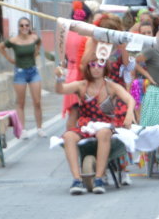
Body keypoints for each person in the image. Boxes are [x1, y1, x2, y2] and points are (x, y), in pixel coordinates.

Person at [55, 54, 134, 195]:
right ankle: (76, 180)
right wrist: (59, 78)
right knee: (68, 136)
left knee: (104, 133)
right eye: (93, 65)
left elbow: (130, 99)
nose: (96, 68)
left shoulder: (111, 86)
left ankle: (98, 179)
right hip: (86, 125)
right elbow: (60, 90)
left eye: (100, 65)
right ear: (88, 68)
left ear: (105, 67)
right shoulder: (81, 85)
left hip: (105, 124)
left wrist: (129, 114)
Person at [0, 17, 43, 137]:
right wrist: (9, 59)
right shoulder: (14, 40)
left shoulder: (34, 38)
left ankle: (39, 128)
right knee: (20, 102)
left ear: (29, 27)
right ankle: (23, 130)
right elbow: (0, 47)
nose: (24, 27)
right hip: (20, 73)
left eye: (27, 25)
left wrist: (36, 52)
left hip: (33, 71)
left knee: (37, 101)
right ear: (18, 27)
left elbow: (39, 42)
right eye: (22, 25)